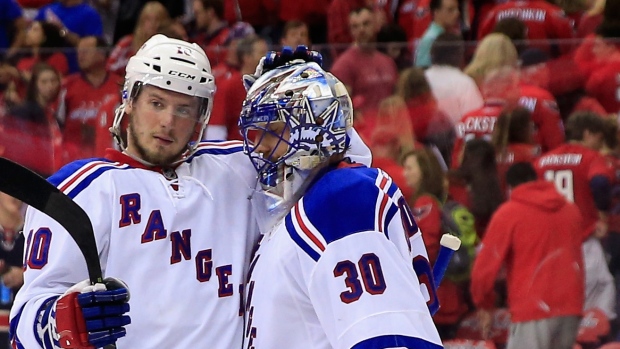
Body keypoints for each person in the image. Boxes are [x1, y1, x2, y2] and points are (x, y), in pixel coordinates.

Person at [9, 36, 372, 349]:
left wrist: (307, 99)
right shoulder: (81, 188)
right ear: (130, 100)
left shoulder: (241, 169)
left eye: (184, 109)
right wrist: (62, 322)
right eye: (156, 103)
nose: (168, 121)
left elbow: (349, 164)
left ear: (202, 117)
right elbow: (25, 319)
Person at [238, 54, 443, 348]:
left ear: (313, 128)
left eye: (275, 129)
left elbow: (386, 339)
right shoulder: (307, 207)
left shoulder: (340, 199)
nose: (263, 146)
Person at [471, 162, 584, 349]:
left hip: (532, 308)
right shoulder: (571, 210)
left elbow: (483, 269)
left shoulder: (509, 213)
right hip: (571, 306)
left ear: (509, 187)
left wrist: (484, 304)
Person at [414, 0, 460, 68]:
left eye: (457, 9)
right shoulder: (431, 39)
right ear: (436, 12)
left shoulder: (448, 34)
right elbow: (422, 71)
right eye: (450, 10)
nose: (457, 13)